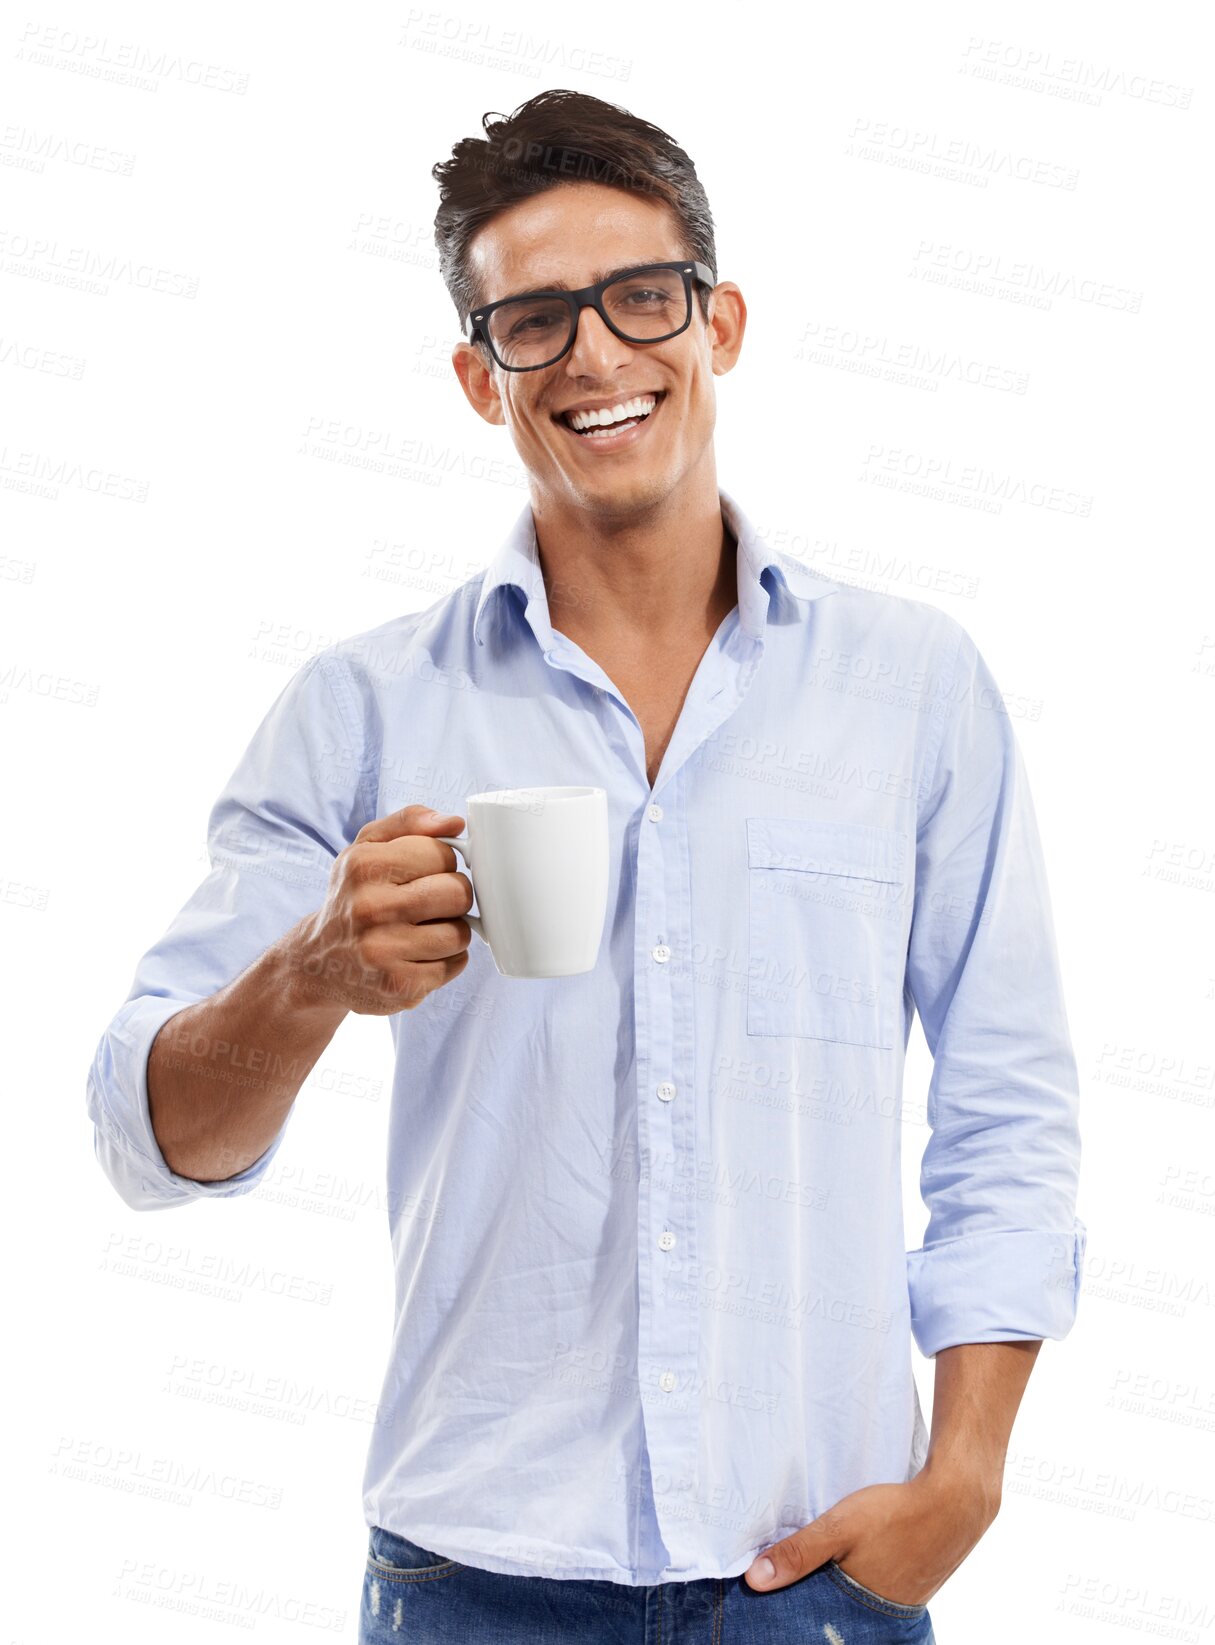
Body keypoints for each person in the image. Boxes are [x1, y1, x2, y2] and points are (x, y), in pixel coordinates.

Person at [87, 89, 1087, 1644]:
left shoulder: (915, 687)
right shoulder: (362, 708)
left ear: (721, 322)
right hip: (473, 1583)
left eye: (640, 298)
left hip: (817, 1578)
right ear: (481, 381)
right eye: (535, 322)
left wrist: (963, 1477)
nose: (597, 357)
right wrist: (312, 975)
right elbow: (150, 1138)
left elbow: (1008, 1102)